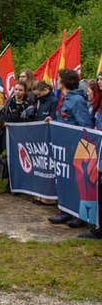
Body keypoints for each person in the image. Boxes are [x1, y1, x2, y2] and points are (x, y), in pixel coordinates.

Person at [48, 69, 94, 228]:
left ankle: (79, 214)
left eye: (58, 78)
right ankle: (66, 210)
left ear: (64, 81)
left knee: (77, 182)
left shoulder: (77, 101)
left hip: (75, 147)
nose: (56, 80)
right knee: (65, 180)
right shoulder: (63, 98)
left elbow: (85, 125)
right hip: (64, 147)